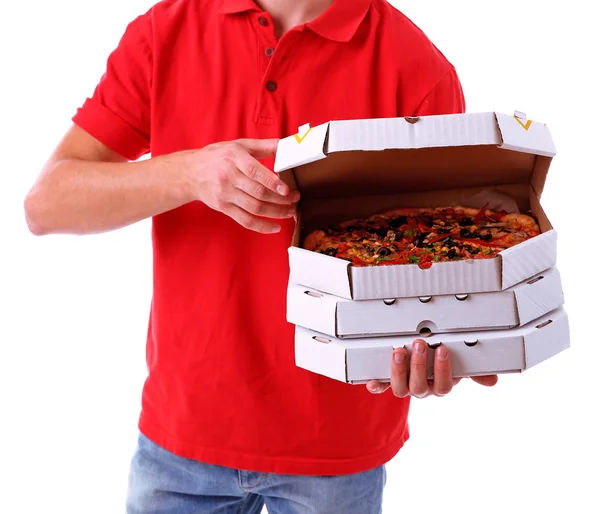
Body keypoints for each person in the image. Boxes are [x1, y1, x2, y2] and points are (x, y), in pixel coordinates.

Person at [24, 0, 498, 512]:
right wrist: (189, 173)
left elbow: (442, 268)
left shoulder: (416, 67)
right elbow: (46, 204)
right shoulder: (165, 31)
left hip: (336, 451)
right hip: (182, 437)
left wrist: (445, 346)